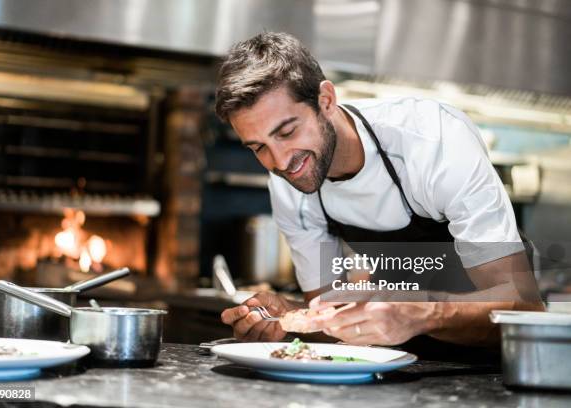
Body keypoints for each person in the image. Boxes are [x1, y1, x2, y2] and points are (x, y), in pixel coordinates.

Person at [215, 32, 543, 348]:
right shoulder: (289, 188)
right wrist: (286, 317)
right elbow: (328, 316)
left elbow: (524, 309)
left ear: (326, 100)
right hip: (403, 369)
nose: (281, 162)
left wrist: (424, 312)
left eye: (287, 132)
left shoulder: (434, 142)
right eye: (258, 148)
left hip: (491, 374)